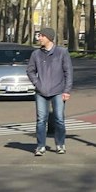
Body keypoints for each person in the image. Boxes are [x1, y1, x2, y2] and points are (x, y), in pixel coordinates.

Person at [26, 28, 73, 156]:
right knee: (41, 120)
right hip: (41, 91)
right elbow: (30, 70)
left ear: (48, 37)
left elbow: (68, 72)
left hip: (58, 90)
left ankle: (60, 144)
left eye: (41, 36)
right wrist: (37, 83)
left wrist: (67, 90)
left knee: (59, 119)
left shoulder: (62, 53)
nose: (39, 38)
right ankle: (40, 146)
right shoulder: (36, 54)